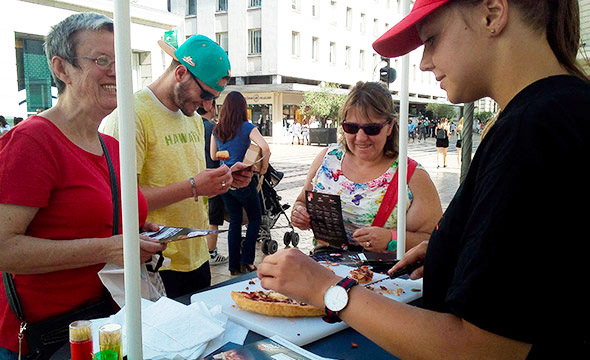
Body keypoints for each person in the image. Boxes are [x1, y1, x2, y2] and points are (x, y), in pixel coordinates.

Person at [257, 0, 590, 358]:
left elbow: (484, 347)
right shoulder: (560, 111)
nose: (424, 62)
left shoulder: (536, 129)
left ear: (492, 14)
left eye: (431, 39)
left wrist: (328, 288)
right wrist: (459, 253)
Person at [0, 13, 166, 358]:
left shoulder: (111, 146)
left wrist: (137, 233)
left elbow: (93, 219)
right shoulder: (32, 142)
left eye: (120, 61)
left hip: (109, 322)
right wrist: (110, 247)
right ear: (62, 69)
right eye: (101, 60)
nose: (115, 71)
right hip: (51, 336)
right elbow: (4, 248)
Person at [102, 35, 253, 298]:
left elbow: (190, 182)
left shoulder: (191, 117)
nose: (208, 106)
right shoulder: (130, 116)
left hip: (197, 257)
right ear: (181, 73)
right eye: (205, 95)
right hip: (155, 264)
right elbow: (121, 201)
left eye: (214, 98)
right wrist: (193, 187)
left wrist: (224, 180)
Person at [290, 81, 442, 253]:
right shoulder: (327, 159)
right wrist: (299, 212)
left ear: (390, 127)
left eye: (372, 129)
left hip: (384, 276)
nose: (360, 138)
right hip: (326, 269)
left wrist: (391, 239)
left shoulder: (413, 177)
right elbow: (301, 201)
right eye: (351, 127)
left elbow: (436, 241)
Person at [210, 91, 271, 275]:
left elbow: (214, 156)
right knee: (255, 219)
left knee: (235, 220)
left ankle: (233, 266)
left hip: (225, 181)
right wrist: (263, 168)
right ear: (242, 108)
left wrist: (226, 156)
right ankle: (247, 261)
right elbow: (265, 147)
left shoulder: (217, 129)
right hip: (244, 180)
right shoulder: (247, 127)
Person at [199, 101, 229, 266]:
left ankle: (205, 250)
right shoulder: (212, 128)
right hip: (212, 178)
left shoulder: (193, 124)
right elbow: (216, 154)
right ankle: (211, 252)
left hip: (197, 178)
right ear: (210, 106)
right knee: (214, 218)